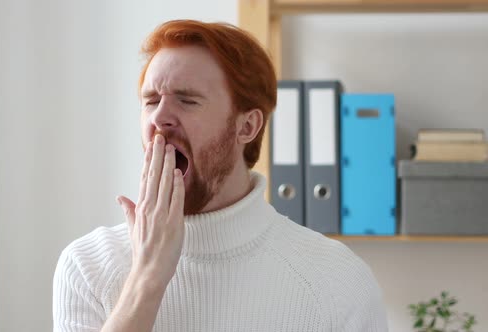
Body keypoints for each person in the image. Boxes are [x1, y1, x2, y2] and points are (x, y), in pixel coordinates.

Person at [53, 20, 388, 332]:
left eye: (187, 100)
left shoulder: (337, 281)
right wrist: (148, 276)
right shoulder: (88, 266)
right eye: (151, 100)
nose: (160, 117)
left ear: (247, 126)